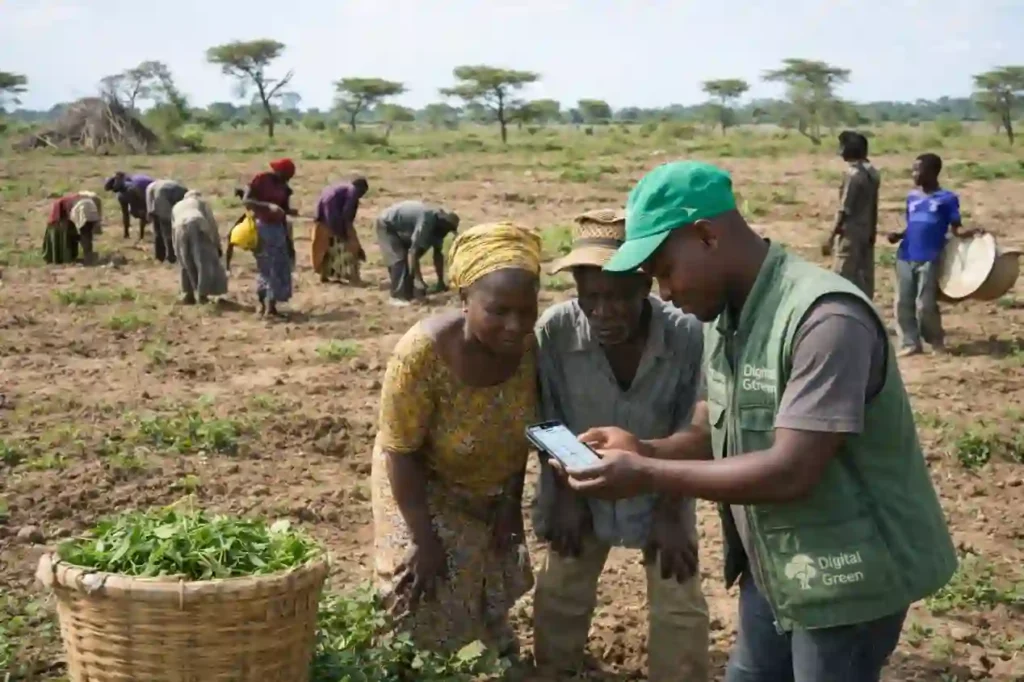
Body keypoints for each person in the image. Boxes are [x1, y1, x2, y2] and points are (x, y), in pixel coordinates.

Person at [560, 161, 957, 682]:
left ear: (706, 237)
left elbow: (791, 470)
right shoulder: (726, 314)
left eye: (664, 271)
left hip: (848, 582)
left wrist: (646, 475)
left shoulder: (824, 319)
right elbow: (711, 430)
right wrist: (645, 449)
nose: (664, 294)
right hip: (775, 568)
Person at [532, 208, 709, 681]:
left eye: (617, 297)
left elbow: (695, 430)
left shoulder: (687, 334)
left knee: (679, 601)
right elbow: (547, 420)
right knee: (560, 593)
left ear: (644, 286)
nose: (602, 312)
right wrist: (566, 498)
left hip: (663, 485)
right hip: (576, 481)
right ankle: (555, 672)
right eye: (590, 297)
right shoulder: (555, 331)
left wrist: (671, 514)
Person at [372, 222, 541, 657]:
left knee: (488, 570)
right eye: (499, 310)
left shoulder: (529, 351)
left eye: (527, 310)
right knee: (424, 578)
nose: (515, 324)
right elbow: (401, 452)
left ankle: (485, 654)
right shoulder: (421, 355)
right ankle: (407, 662)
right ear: (465, 300)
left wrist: (509, 508)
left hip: (487, 484)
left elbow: (520, 435)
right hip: (417, 481)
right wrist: (423, 538)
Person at [887, 153, 978, 357]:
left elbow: (956, 229)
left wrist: (974, 233)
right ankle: (909, 343)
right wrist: (898, 235)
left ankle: (935, 341)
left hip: (930, 256)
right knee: (902, 302)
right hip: (906, 254)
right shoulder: (912, 197)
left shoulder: (947, 199)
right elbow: (912, 225)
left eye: (918, 170)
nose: (914, 174)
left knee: (925, 304)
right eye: (913, 170)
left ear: (933, 172)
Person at [824, 131, 880, 299]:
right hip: (866, 231)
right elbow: (874, 206)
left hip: (851, 234)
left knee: (841, 275)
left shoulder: (853, 175)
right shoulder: (872, 172)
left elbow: (844, 209)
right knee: (864, 278)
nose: (840, 151)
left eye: (842, 147)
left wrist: (830, 236)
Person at [376, 200, 461, 306]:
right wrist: (419, 281)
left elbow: (437, 254)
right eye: (447, 229)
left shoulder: (439, 230)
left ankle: (408, 289)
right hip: (388, 224)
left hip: (403, 229)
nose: (447, 232)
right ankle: (397, 297)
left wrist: (440, 282)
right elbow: (413, 252)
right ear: (442, 223)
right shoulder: (427, 220)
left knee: (410, 258)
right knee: (399, 260)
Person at [242, 159, 299, 317]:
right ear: (277, 171)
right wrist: (267, 206)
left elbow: (284, 209)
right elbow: (246, 201)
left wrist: (289, 211)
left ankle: (270, 306)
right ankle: (265, 306)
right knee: (267, 266)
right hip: (261, 226)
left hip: (278, 228)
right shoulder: (261, 180)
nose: (286, 179)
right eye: (285, 175)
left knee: (279, 266)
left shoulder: (284, 188)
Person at [171, 189, 228, 305]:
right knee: (203, 262)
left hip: (179, 228)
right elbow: (211, 224)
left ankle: (188, 294)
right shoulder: (201, 203)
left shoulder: (177, 205)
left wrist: (176, 250)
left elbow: (173, 228)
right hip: (198, 224)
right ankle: (202, 295)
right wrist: (217, 245)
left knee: (185, 262)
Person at [311, 177, 369, 284]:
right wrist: (348, 237)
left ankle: (324, 274)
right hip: (332, 213)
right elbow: (347, 216)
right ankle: (353, 276)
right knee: (349, 245)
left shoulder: (339, 187)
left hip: (321, 213)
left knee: (327, 246)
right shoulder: (353, 191)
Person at [42, 191, 103, 265]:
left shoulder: (69, 200)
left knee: (84, 234)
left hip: (76, 211)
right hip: (83, 211)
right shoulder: (90, 199)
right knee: (86, 234)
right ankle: (88, 255)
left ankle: (87, 255)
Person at [146, 179, 188, 264]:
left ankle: (159, 257)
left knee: (158, 229)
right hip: (161, 196)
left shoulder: (181, 192)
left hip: (155, 191)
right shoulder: (185, 195)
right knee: (167, 229)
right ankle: (171, 257)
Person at [104, 172, 152, 240]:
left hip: (144, 188)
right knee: (139, 213)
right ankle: (138, 235)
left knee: (139, 213)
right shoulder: (123, 192)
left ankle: (137, 235)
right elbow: (126, 213)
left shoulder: (130, 188)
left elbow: (142, 204)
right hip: (138, 190)